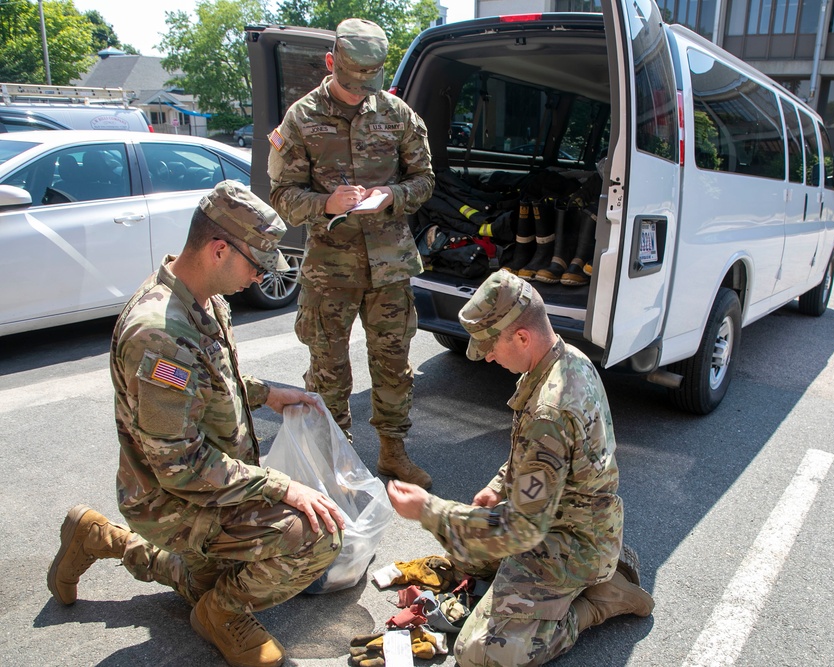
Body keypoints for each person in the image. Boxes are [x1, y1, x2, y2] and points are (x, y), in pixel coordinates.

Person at [47, 181, 344, 667]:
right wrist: (281, 487)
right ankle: (221, 617)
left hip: (210, 484)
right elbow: (180, 467)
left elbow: (212, 381)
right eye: (256, 264)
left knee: (209, 580)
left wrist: (268, 394)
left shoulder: (204, 299)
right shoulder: (160, 334)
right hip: (172, 497)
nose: (260, 277)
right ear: (218, 248)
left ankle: (100, 538)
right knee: (317, 535)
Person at [387, 270, 655, 667]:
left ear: (522, 337)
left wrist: (428, 510)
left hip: (571, 541)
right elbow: (541, 456)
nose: (489, 357)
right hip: (566, 520)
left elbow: (523, 529)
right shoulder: (564, 359)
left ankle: (598, 602)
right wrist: (500, 484)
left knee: (479, 652)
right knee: (468, 553)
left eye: (490, 346)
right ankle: (576, 580)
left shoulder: (551, 407)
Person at [267, 18, 435, 489]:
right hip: (329, 273)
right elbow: (281, 195)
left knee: (393, 364)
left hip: (390, 267)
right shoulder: (300, 119)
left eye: (368, 82)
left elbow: (425, 181)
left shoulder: (399, 116)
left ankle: (392, 453)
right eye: (349, 80)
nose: (359, 90)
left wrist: (392, 196)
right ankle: (336, 460)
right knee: (328, 368)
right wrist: (326, 203)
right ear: (330, 63)